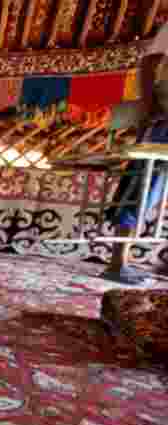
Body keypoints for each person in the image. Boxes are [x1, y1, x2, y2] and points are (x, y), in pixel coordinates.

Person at [104, 20, 168, 283]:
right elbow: (149, 61)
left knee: (153, 192)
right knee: (142, 187)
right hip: (164, 117)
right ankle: (117, 263)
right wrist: (149, 104)